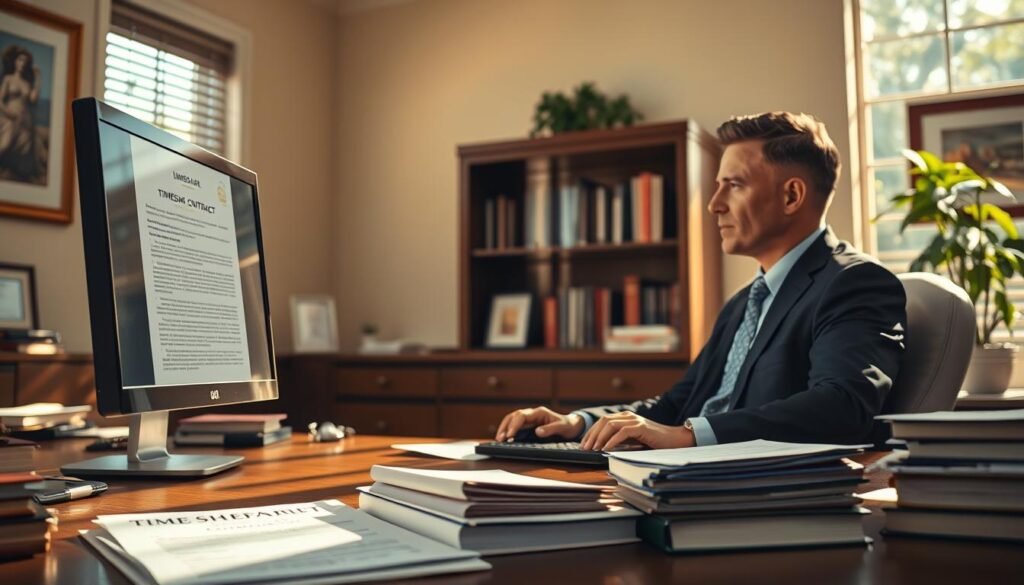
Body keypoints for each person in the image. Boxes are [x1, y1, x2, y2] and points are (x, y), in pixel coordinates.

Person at [494, 112, 907, 451]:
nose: (714, 204)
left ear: (791, 196)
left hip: (746, 494)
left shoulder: (854, 283)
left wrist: (687, 437)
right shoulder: (745, 302)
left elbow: (843, 406)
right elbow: (676, 404)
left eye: (735, 185)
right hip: (686, 476)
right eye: (717, 186)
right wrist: (577, 422)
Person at [0, 44, 44, 183]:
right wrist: (9, 113)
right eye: (20, 60)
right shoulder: (8, 79)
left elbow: (33, 98)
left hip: (24, 119)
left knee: (25, 148)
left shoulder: (26, 83)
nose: (22, 64)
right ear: (14, 61)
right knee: (5, 144)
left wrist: (38, 78)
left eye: (24, 61)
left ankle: (16, 172)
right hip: (9, 117)